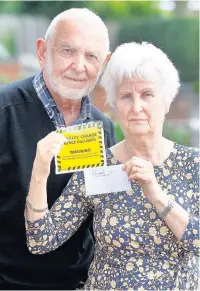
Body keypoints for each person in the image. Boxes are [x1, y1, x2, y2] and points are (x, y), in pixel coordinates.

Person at [25, 42, 199, 290]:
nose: (137, 107)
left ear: (167, 101)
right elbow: (41, 240)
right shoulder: (98, 165)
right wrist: (39, 172)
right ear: (115, 106)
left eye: (147, 94)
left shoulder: (193, 164)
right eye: (126, 96)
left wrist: (156, 195)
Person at [0, 8, 116, 290]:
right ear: (43, 52)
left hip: (80, 283)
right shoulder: (5, 111)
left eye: (91, 56)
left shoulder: (104, 128)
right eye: (68, 51)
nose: (79, 66)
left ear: (105, 63)